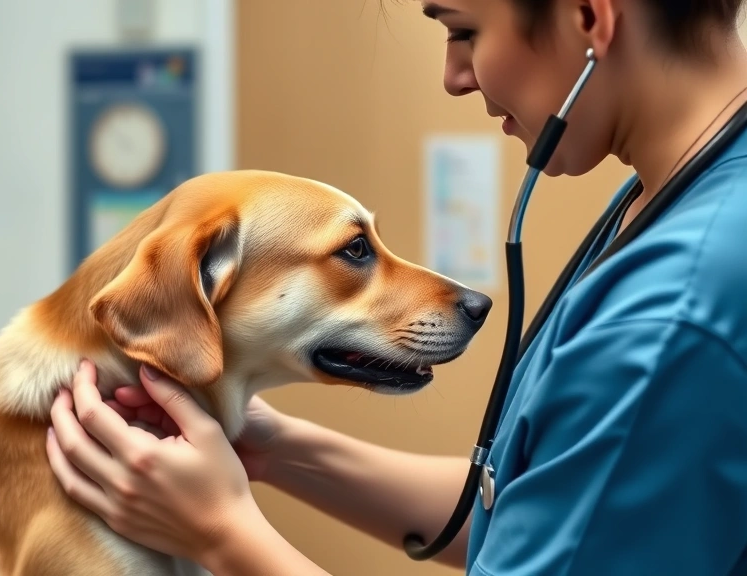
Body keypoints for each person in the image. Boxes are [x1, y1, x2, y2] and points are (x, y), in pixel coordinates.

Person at [45, 0, 747, 573]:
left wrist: (221, 533)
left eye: (462, 32)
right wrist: (271, 446)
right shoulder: (674, 200)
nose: (454, 75)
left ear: (590, 17)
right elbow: (553, 518)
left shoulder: (675, 310)